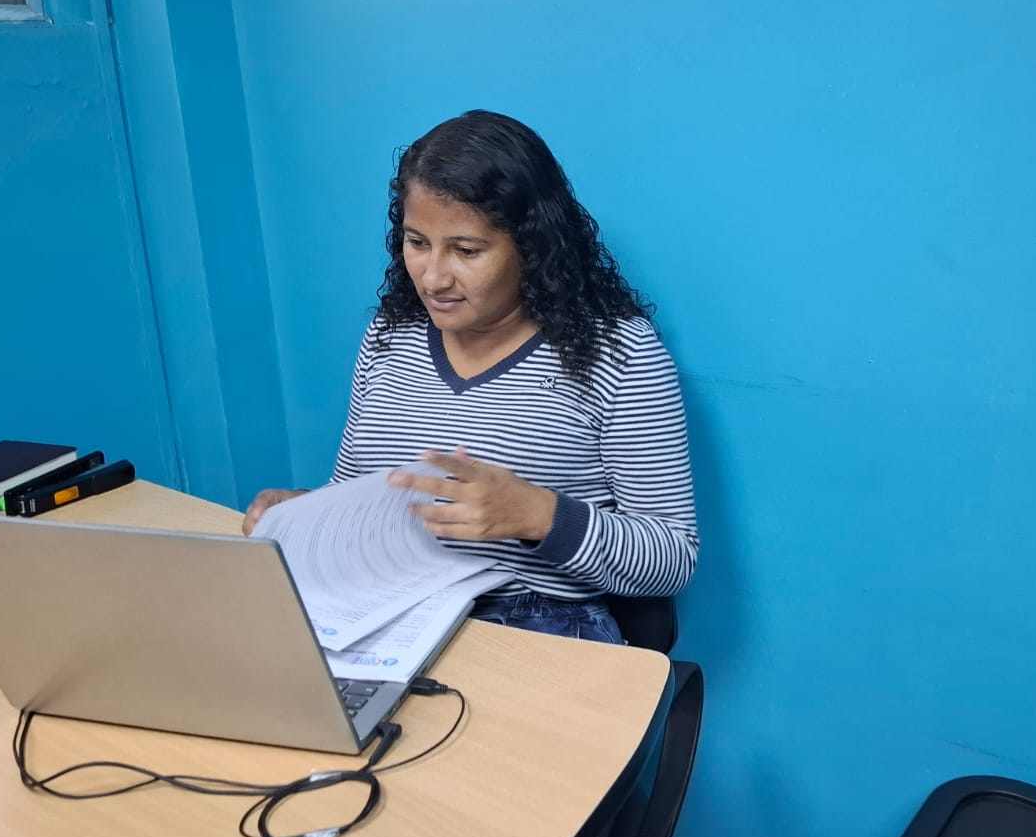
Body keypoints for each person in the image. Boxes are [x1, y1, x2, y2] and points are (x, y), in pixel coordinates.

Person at [243, 109, 698, 644]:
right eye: (417, 243)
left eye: (466, 250)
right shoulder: (390, 337)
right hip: (382, 611)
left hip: (535, 624)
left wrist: (538, 515)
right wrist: (303, 514)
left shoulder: (617, 353)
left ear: (531, 247)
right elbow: (354, 494)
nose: (433, 277)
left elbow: (672, 557)